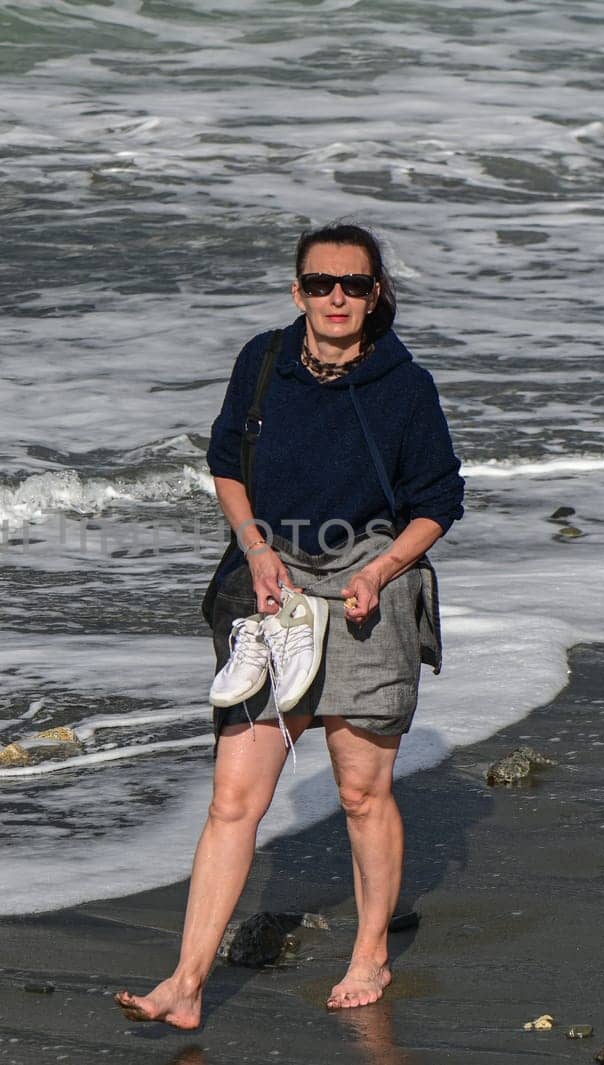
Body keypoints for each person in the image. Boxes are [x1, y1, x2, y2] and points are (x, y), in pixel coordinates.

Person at [115, 223, 465, 1028]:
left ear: (376, 293)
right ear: (296, 289)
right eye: (319, 282)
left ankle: (370, 949)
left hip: (367, 586)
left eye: (352, 283)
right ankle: (187, 981)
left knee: (359, 790)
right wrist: (255, 548)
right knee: (235, 798)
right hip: (270, 582)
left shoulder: (405, 386)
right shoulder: (263, 361)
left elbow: (439, 502)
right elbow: (226, 462)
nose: (335, 297)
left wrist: (380, 572)